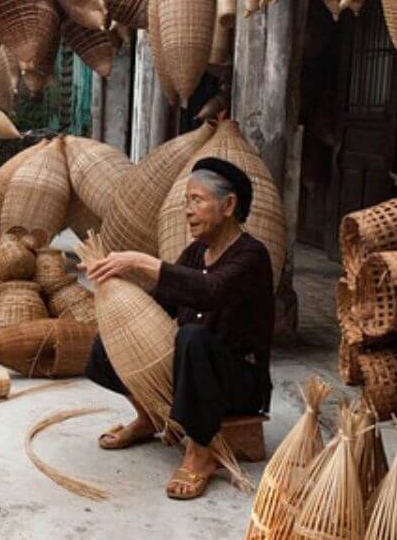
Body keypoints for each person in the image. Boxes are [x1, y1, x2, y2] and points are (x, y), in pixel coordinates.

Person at [81, 157, 274, 500]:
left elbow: (210, 291)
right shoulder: (195, 252)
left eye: (197, 201)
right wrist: (117, 297)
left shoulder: (252, 256)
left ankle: (200, 453)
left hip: (237, 381)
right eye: (186, 202)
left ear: (228, 205)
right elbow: (160, 304)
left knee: (193, 337)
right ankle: (147, 417)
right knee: (108, 345)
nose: (188, 211)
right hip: (191, 370)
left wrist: (141, 260)